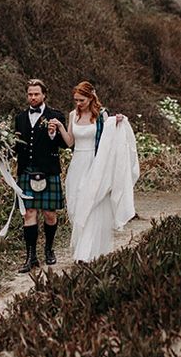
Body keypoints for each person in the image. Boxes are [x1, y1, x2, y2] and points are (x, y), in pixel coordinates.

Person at [49, 81, 140, 262]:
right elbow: (69, 142)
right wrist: (59, 127)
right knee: (76, 204)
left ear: (91, 98)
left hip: (96, 162)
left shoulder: (101, 115)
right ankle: (84, 245)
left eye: (81, 100)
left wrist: (117, 123)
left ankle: (87, 253)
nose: (78, 103)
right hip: (78, 163)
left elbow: (109, 138)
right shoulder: (73, 115)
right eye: (76, 100)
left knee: (92, 204)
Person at [14, 79, 69, 272]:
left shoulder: (55, 115)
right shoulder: (20, 117)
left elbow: (65, 144)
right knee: (29, 213)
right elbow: (17, 145)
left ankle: (49, 249)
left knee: (50, 215)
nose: (33, 97)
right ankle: (31, 257)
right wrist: (0, 149)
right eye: (30, 94)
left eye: (36, 94)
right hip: (26, 171)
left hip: (48, 170)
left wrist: (54, 135)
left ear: (44, 94)